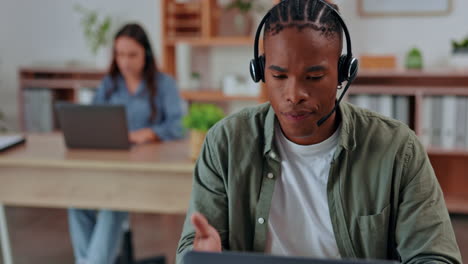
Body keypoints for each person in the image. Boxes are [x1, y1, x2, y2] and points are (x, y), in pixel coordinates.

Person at [176, 0, 462, 263]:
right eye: (278, 76)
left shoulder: (398, 149)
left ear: (343, 73)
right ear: (260, 71)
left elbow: (435, 256)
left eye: (313, 77)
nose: (294, 94)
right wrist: (203, 257)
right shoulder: (225, 143)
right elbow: (193, 246)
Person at [68, 23, 184, 264]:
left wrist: (149, 133)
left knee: (112, 202)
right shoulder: (110, 84)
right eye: (120, 54)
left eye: (132, 54)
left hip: (147, 170)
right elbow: (91, 118)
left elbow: (179, 126)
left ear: (146, 55)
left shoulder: (165, 84)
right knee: (76, 199)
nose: (125, 62)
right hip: (110, 164)